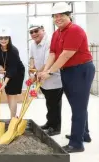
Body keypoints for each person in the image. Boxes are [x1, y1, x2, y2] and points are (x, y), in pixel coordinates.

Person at [39, 2, 95, 153]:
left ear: (69, 15)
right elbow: (52, 54)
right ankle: (84, 134)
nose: (58, 19)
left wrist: (50, 72)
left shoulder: (75, 30)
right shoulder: (57, 34)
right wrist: (44, 70)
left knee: (78, 107)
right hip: (68, 71)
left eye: (61, 15)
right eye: (55, 16)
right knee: (77, 105)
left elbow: (66, 55)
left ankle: (76, 143)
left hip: (81, 69)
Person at [28, 23, 64, 136]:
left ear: (43, 30)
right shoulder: (33, 44)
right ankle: (49, 123)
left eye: (36, 31)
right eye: (31, 32)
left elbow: (47, 62)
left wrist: (36, 75)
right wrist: (32, 70)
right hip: (41, 79)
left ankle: (56, 127)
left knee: (54, 104)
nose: (34, 34)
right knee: (49, 103)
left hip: (53, 79)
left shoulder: (49, 42)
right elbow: (32, 58)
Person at [0, 27, 25, 118]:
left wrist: (5, 82)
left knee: (12, 95)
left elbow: (13, 68)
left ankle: (12, 119)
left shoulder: (13, 51)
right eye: (1, 38)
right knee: (8, 95)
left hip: (16, 73)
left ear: (9, 38)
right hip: (7, 73)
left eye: (6, 38)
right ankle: (14, 117)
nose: (3, 40)